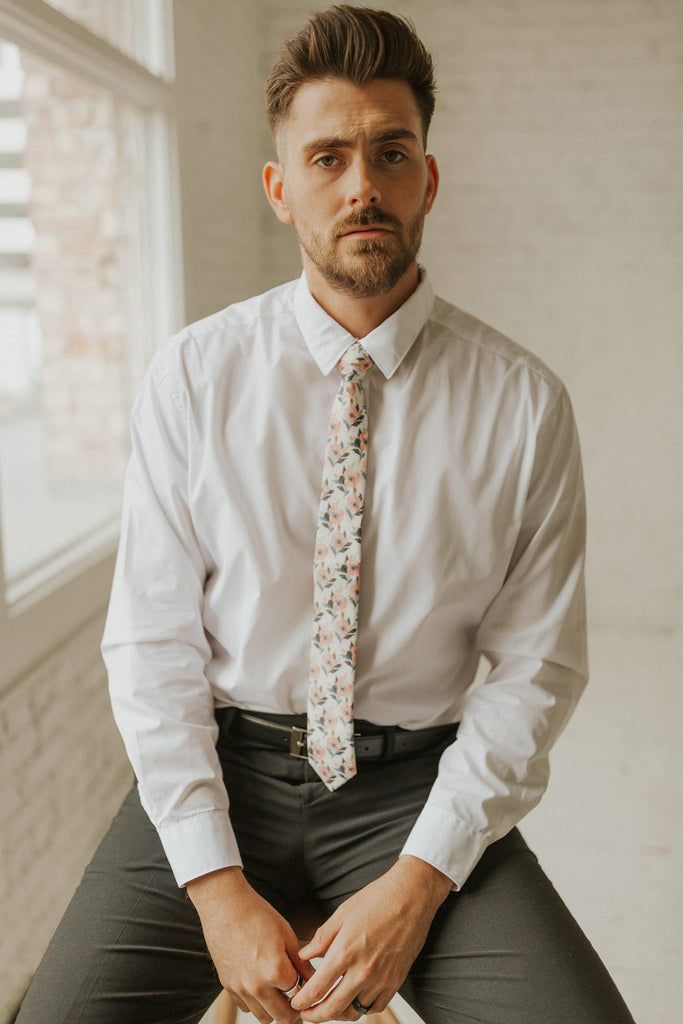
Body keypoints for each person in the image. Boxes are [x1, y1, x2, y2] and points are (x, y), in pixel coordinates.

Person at [17, 6, 635, 1024]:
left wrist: (420, 879)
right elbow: (150, 645)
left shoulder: (524, 405)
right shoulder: (194, 377)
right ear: (280, 189)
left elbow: (535, 671)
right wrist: (216, 890)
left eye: (390, 154)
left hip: (411, 791)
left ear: (426, 177)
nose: (361, 186)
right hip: (230, 768)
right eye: (327, 157)